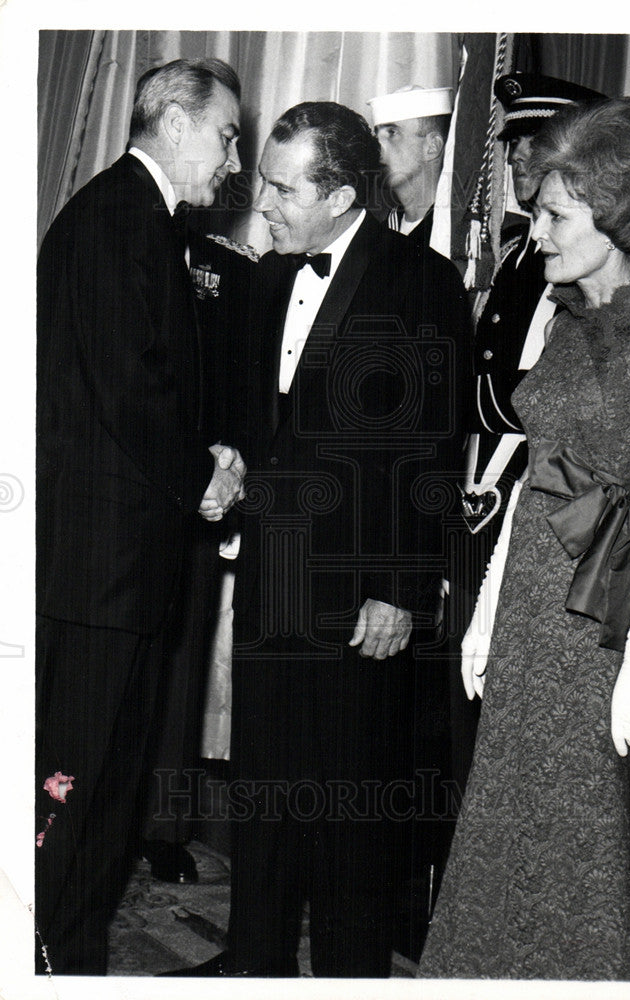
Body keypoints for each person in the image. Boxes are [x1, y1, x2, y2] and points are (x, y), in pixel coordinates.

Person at [167, 100, 470, 979]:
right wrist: (225, 466)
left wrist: (403, 591)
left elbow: (431, 455)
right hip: (271, 581)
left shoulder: (422, 283)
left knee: (350, 816)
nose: (262, 200)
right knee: (264, 798)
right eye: (263, 177)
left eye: (280, 185)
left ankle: (347, 976)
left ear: (340, 195)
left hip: (359, 599)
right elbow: (257, 427)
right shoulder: (267, 281)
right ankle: (254, 961)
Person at [419, 95, 630, 980]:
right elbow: (534, 479)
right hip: (528, 623)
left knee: (583, 855)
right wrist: (485, 615)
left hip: (597, 635)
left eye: (554, 214)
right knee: (506, 834)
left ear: (615, 221)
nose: (534, 229)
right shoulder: (566, 320)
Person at [35, 57, 246, 975]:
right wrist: (201, 473)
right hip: (97, 570)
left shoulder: (141, 219)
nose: (233, 161)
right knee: (73, 783)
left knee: (111, 786)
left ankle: (69, 952)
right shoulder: (117, 218)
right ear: (175, 122)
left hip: (121, 566)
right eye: (228, 134)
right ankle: (42, 950)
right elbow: (131, 388)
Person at [453, 73, 603, 790]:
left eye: (532, 145)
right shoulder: (517, 254)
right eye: (511, 143)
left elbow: (542, 399)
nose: (516, 158)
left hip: (539, 481)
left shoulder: (577, 273)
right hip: (488, 478)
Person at [138, 228, 259, 884]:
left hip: (199, 505)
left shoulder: (228, 268)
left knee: (181, 670)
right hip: (123, 498)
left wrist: (233, 471)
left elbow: (245, 383)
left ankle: (164, 828)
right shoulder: (122, 242)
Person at [368, 84, 453, 249]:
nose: (376, 145)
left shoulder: (456, 234)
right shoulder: (378, 234)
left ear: (432, 147)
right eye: (376, 133)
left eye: (392, 133)